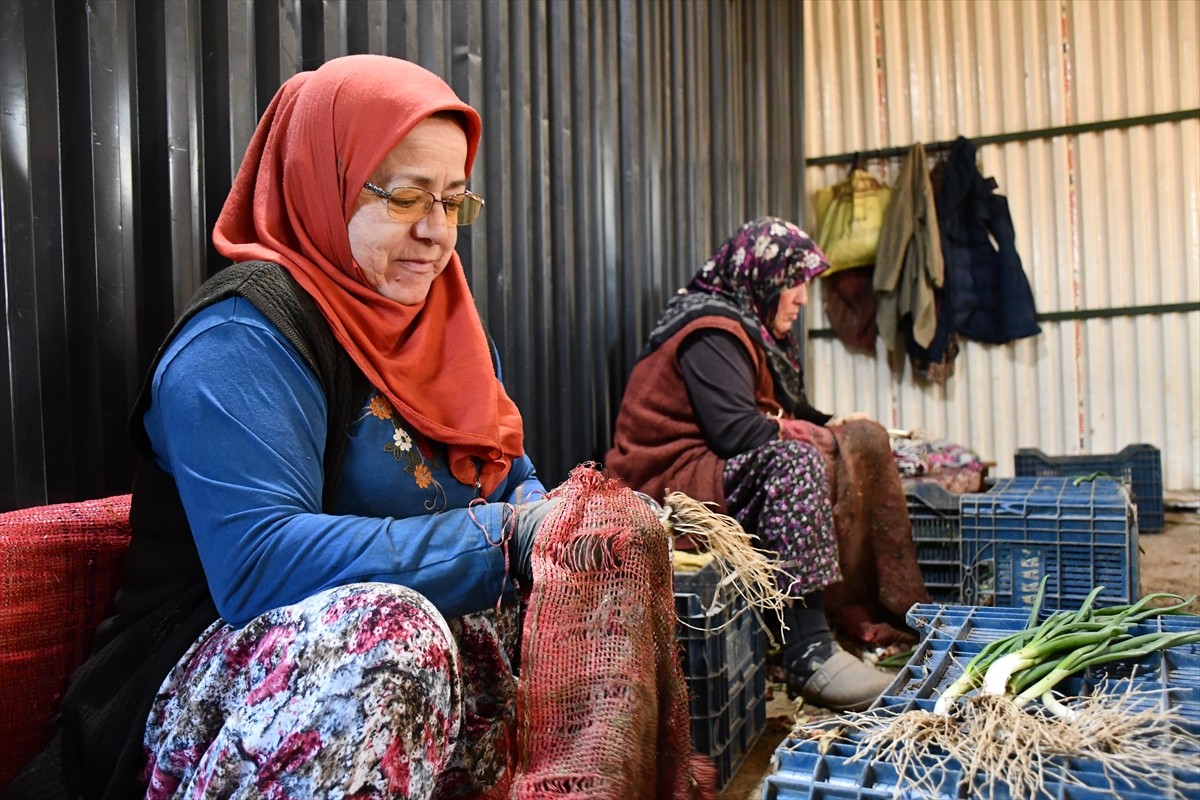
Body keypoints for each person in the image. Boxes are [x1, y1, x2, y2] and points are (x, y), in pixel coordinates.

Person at [7, 55, 573, 800]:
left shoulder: (448, 333)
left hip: (370, 692)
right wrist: (504, 541)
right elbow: (262, 563)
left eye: (454, 202)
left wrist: (563, 526)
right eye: (407, 196)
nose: (436, 232)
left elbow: (511, 479)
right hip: (202, 691)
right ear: (321, 178)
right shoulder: (243, 338)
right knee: (392, 633)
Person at [605, 217, 930, 712]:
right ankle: (809, 650)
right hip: (670, 478)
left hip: (710, 466)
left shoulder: (753, 328)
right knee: (796, 463)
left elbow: (783, 409)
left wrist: (835, 424)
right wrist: (814, 435)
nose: (801, 299)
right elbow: (736, 432)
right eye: (793, 283)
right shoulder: (710, 330)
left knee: (853, 442)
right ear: (761, 277)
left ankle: (854, 606)